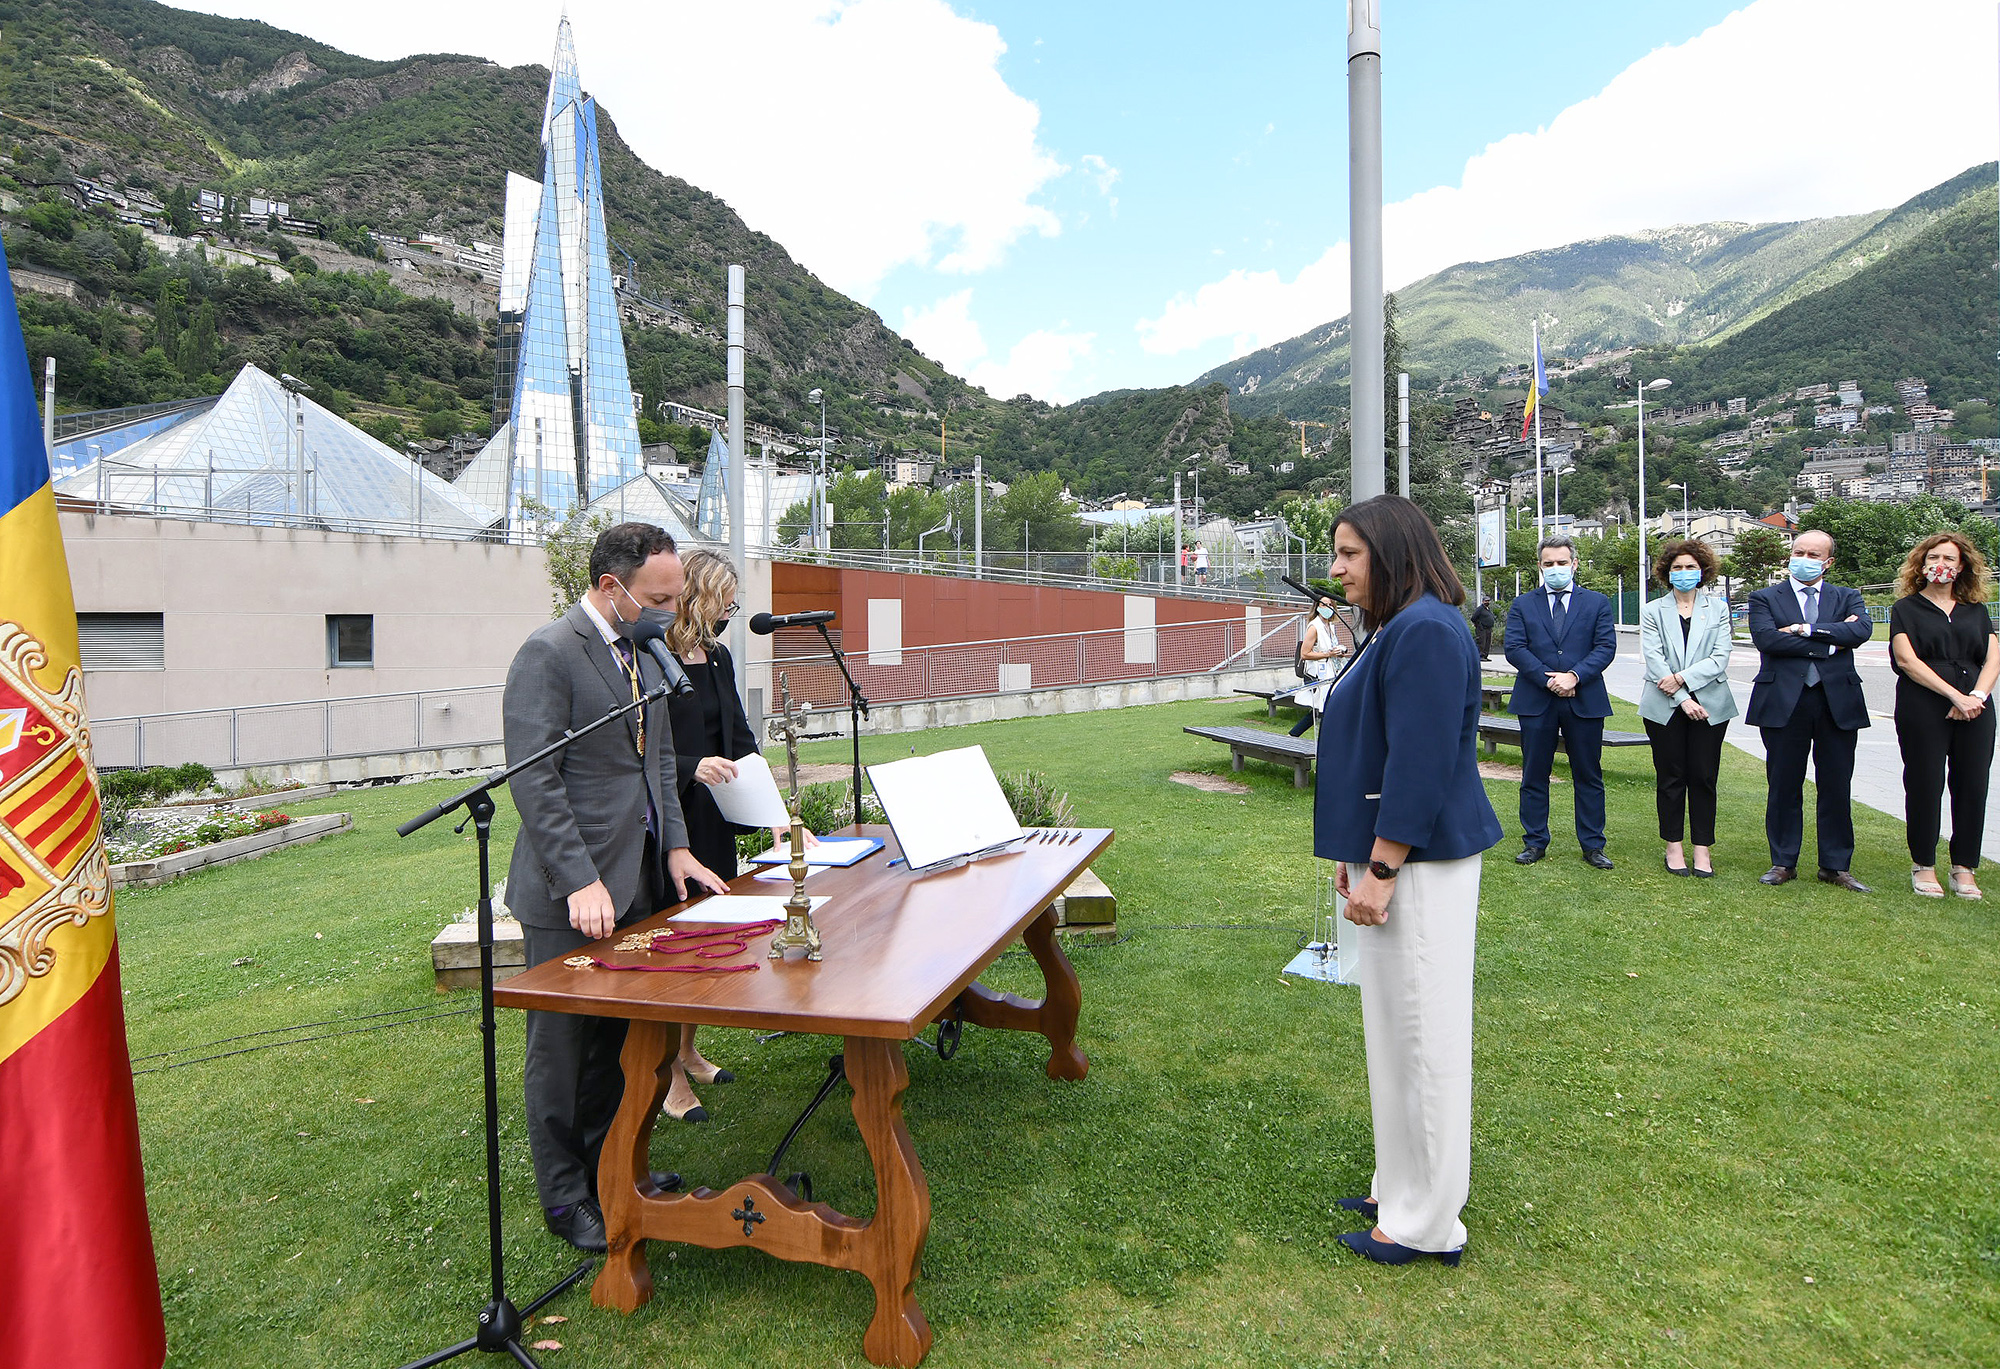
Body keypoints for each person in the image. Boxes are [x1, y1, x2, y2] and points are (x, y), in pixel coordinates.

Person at [503, 522, 732, 1254]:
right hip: (571, 894)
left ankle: (612, 1170)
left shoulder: (648, 652)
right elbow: (535, 778)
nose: (673, 608)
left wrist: (677, 850)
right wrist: (578, 880)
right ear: (612, 588)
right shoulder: (548, 652)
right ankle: (567, 1199)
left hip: (636, 881)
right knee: (564, 1052)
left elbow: (657, 762)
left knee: (617, 1045)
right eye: (660, 596)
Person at [1313, 495, 1501, 1267]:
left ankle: (1426, 1224)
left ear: (1391, 552)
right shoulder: (1403, 623)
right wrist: (1356, 855)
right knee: (1395, 1033)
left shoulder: (1425, 629)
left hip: (1419, 865)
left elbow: (1418, 764)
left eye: (1350, 554)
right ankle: (1400, 1184)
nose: (1336, 568)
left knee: (1424, 1037)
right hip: (1395, 858)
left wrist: (1382, 866)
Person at [659, 550, 814, 1121]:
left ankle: (689, 1050)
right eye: (725, 602)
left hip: (718, 817)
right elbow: (640, 747)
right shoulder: (656, 660)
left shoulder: (719, 657)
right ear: (699, 597)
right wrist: (690, 766)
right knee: (674, 945)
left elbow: (742, 737)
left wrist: (777, 813)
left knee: (706, 939)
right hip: (673, 818)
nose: (731, 612)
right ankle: (669, 1073)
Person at [1746, 529, 1873, 891]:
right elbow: (1767, 639)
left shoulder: (1848, 596)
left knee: (1836, 784)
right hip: (1785, 701)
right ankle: (1783, 861)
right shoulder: (1764, 597)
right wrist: (1832, 642)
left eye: (1813, 555)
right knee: (1784, 783)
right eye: (1798, 551)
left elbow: (1861, 631)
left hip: (1837, 702)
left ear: (1828, 562)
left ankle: (1835, 865)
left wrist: (1803, 630)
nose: (1803, 559)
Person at [1889, 531, 1999, 898]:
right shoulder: (1905, 609)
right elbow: (1907, 660)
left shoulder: (1977, 610)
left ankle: (1964, 867)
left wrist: (1976, 696)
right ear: (1921, 565)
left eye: (1949, 559)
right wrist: (1954, 695)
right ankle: (1924, 864)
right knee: (1924, 782)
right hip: (1924, 705)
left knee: (1972, 785)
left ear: (1962, 565)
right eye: (1934, 558)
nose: (1941, 565)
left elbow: (1992, 657)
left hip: (1976, 708)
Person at [1503, 535, 1617, 868]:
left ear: (1574, 564)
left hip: (1585, 698)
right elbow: (1515, 648)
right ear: (1540, 566)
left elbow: (1605, 647)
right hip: (1537, 699)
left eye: (1562, 563)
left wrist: (1575, 676)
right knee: (1534, 773)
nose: (1556, 569)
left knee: (1589, 775)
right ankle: (1535, 842)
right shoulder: (1523, 604)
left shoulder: (1597, 603)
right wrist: (1549, 679)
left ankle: (1593, 845)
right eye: (1549, 564)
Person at [1638, 540, 1738, 877]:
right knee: (1671, 777)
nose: (1684, 573)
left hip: (1710, 704)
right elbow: (1654, 660)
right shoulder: (1653, 610)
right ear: (1667, 572)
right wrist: (1683, 698)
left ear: (1703, 571)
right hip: (1664, 706)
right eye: (1677, 568)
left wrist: (1681, 678)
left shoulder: (1718, 609)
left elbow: (1720, 658)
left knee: (1704, 777)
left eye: (1691, 567)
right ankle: (1673, 847)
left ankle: (1702, 850)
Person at [1287, 593, 1350, 737]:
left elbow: (1330, 648)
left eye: (1330, 605)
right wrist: (1328, 654)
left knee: (1323, 707)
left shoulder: (1330, 626)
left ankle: (1294, 734)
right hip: (1319, 674)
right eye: (1323, 605)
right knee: (1322, 708)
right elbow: (1305, 654)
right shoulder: (1314, 627)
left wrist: (1338, 652)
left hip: (1332, 670)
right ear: (1317, 607)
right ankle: (1297, 735)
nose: (1327, 607)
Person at [1470, 596, 1496, 660]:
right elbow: (1473, 618)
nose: (1487, 602)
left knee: (1487, 643)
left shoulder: (1488, 609)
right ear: (1483, 601)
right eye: (1486, 601)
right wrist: (1478, 625)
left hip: (1488, 628)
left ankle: (1485, 655)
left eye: (1488, 601)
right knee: (1482, 642)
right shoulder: (1480, 609)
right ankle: (1480, 656)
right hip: (1482, 629)